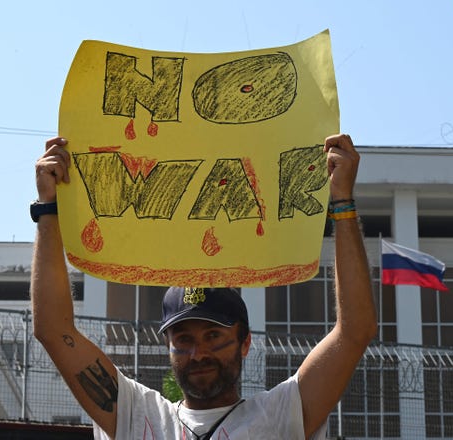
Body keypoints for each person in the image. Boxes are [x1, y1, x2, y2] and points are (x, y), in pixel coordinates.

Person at [30, 133, 378, 439]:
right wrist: (48, 208)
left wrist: (342, 202)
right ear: (168, 346)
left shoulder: (281, 416)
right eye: (184, 340)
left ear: (245, 343)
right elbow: (53, 329)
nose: (198, 354)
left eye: (213, 336)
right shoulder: (135, 415)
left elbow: (354, 333)